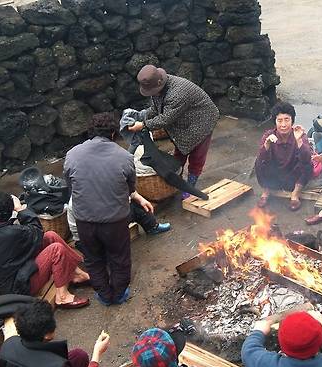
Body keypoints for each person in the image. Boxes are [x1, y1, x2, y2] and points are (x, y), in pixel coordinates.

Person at [64, 113, 156, 306]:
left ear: (90, 133)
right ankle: (119, 293)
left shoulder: (72, 154)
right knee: (119, 258)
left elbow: (71, 187)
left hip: (85, 221)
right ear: (113, 133)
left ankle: (105, 295)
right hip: (115, 222)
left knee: (93, 259)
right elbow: (130, 188)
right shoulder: (124, 157)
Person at [0, 192, 89, 309]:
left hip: (12, 276)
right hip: (20, 287)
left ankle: (77, 273)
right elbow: (36, 228)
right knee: (56, 250)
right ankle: (62, 297)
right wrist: (20, 209)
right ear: (10, 211)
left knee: (50, 236)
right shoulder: (17, 233)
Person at [127, 65, 219, 198]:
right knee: (179, 152)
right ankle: (176, 180)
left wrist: (143, 125)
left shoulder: (176, 94)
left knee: (196, 156)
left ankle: (190, 186)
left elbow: (165, 119)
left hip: (203, 121)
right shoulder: (160, 88)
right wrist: (141, 116)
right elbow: (156, 108)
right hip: (186, 120)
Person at [254, 101, 312, 211]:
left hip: (292, 177)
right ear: (275, 122)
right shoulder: (268, 135)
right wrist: (267, 145)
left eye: (287, 120)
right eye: (279, 120)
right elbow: (261, 159)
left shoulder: (299, 134)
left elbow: (307, 158)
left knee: (308, 164)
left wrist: (299, 141)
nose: (283, 125)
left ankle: (295, 194)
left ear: (292, 121)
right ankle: (266, 190)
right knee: (259, 161)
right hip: (275, 177)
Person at [67, 198, 171, 257]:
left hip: (106, 224)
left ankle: (152, 227)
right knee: (107, 259)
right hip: (88, 239)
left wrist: (137, 197)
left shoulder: (102, 186)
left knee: (135, 204)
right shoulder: (78, 202)